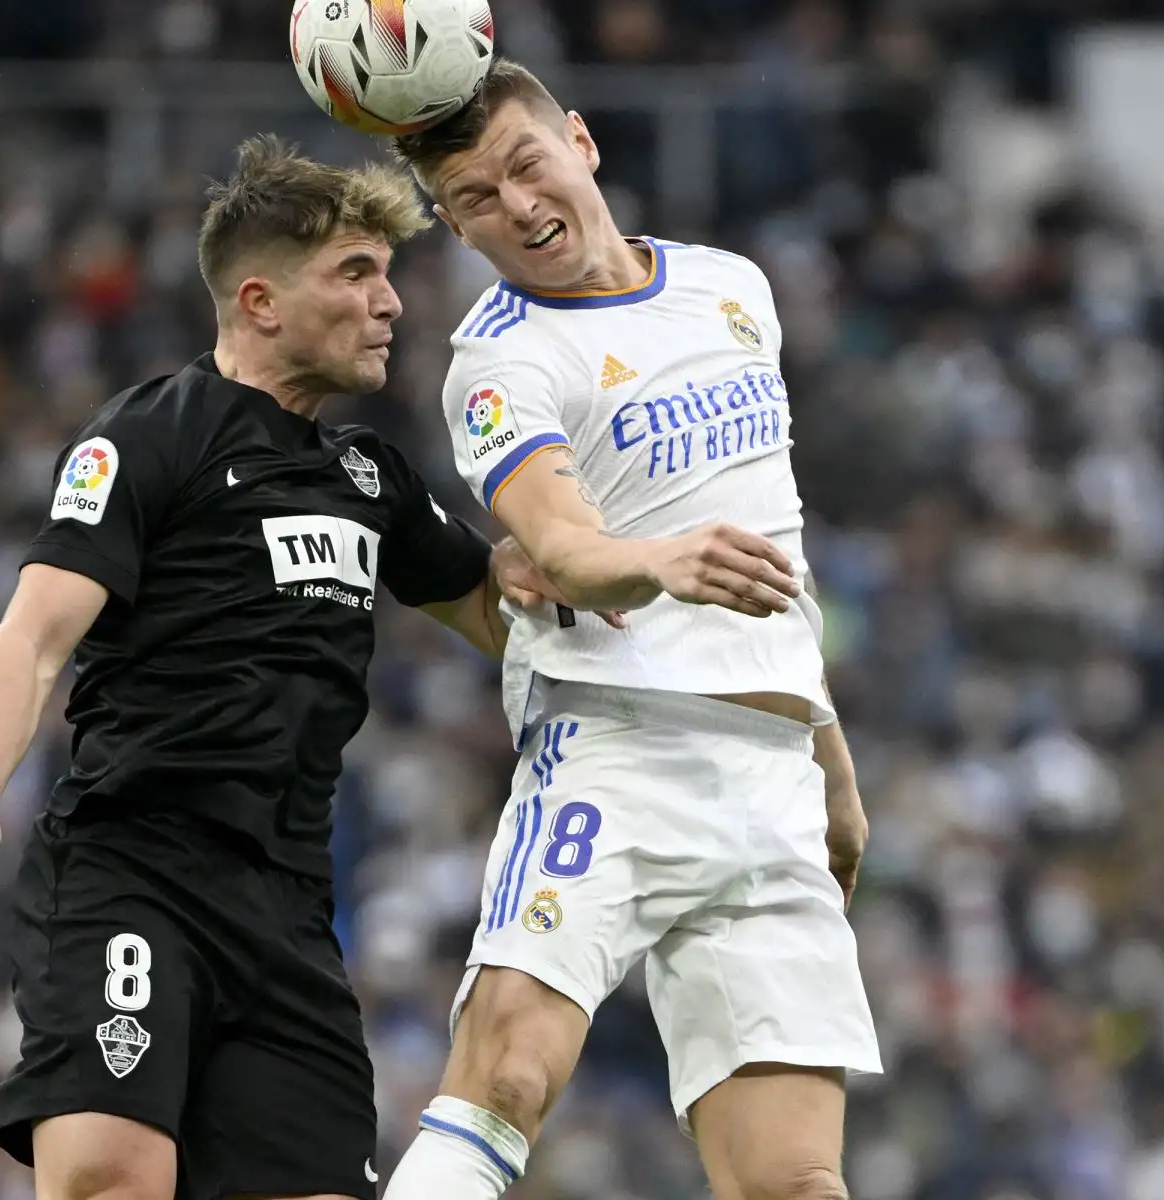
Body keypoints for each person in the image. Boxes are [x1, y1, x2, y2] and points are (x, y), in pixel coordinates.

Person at [0, 135, 569, 1200]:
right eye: (356, 275)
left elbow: (505, 611)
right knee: (111, 1180)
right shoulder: (150, 436)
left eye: (388, 275)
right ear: (260, 302)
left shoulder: (371, 476)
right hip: (137, 873)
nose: (390, 303)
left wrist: (589, 572)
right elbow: (31, 635)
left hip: (290, 913)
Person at [378, 61, 883, 1200]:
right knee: (506, 1068)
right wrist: (657, 559)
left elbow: (776, 543)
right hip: (612, 749)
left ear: (581, 140)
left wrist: (826, 748)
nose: (515, 205)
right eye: (475, 199)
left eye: (524, 164)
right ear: (456, 228)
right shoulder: (499, 364)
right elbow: (556, 543)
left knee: (796, 1181)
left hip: (771, 779)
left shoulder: (732, 290)